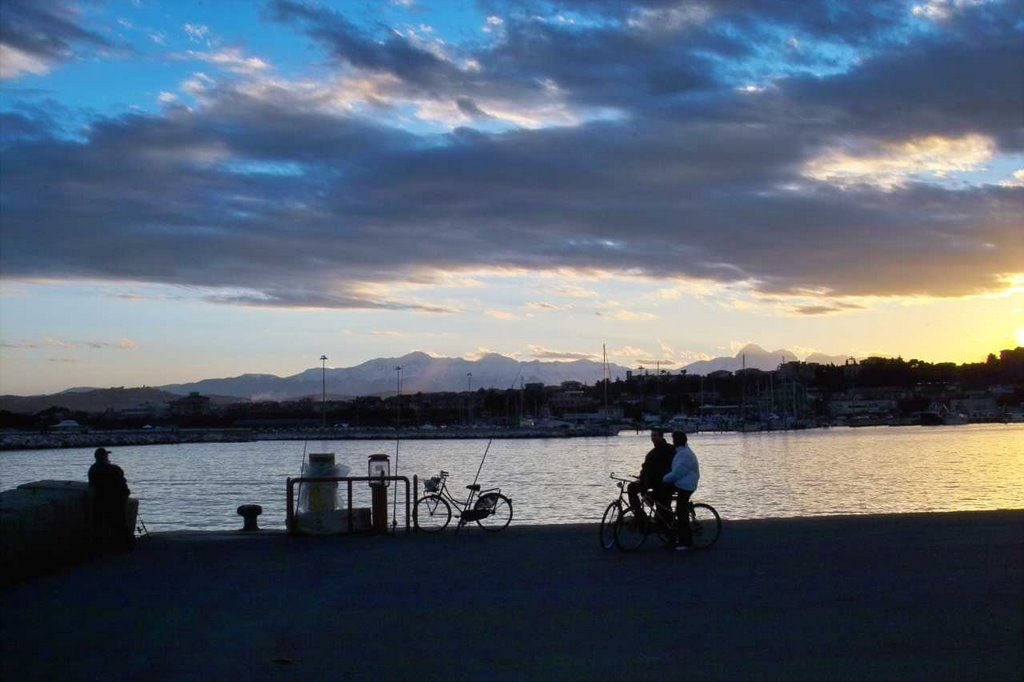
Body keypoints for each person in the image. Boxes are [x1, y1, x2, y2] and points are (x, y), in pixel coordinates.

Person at [627, 428, 676, 525]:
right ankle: (642, 515)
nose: (653, 438)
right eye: (652, 436)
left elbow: (651, 468)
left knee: (632, 488)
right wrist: (642, 476)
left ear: (661, 436)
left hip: (660, 482)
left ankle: (641, 515)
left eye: (655, 436)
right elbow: (646, 467)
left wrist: (644, 477)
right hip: (655, 481)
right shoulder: (655, 452)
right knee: (634, 488)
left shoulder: (665, 450)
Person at [88, 447, 132, 549]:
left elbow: (92, 486)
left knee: (101, 524)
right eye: (106, 455)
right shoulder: (115, 469)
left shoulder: (92, 469)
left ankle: (103, 545)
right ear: (104, 457)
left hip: (100, 500)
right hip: (116, 500)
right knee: (120, 522)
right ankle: (125, 545)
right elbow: (123, 486)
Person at [664, 431, 700, 551]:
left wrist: (663, 479)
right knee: (670, 500)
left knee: (681, 512)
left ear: (677, 441)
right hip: (683, 483)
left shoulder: (684, 455)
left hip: (686, 485)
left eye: (674, 440)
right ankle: (675, 533)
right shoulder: (682, 452)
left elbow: (677, 473)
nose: (672, 442)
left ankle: (687, 542)